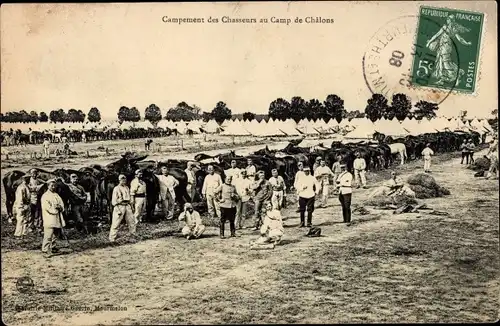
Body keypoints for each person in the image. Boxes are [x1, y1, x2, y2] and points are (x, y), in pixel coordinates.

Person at [40, 179, 65, 258]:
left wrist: (60, 207)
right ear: (48, 186)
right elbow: (47, 207)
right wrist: (55, 208)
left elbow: (61, 204)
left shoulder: (56, 195)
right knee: (48, 234)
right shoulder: (45, 196)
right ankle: (45, 250)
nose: (53, 187)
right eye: (52, 186)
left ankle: (53, 247)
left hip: (57, 217)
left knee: (55, 234)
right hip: (49, 217)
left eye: (54, 186)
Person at [109, 174, 136, 243]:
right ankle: (112, 239)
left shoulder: (127, 187)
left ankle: (132, 236)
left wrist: (132, 207)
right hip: (119, 206)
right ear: (119, 180)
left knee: (131, 221)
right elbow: (114, 201)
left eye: (124, 179)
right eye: (122, 179)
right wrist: (117, 209)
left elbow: (129, 198)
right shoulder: (116, 188)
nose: (124, 181)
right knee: (116, 223)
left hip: (127, 205)